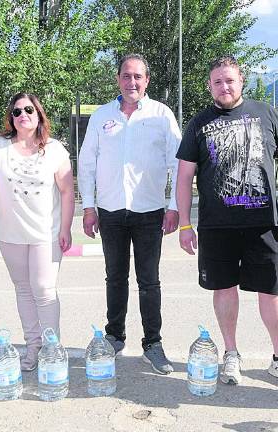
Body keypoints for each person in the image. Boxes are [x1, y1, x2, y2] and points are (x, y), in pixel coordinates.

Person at [175, 55, 278, 390]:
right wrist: (185, 225)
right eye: (217, 81)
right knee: (224, 289)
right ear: (210, 85)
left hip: (262, 224)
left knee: (271, 292)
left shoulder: (265, 113)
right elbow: (184, 176)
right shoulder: (198, 123)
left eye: (229, 80)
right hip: (216, 227)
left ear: (241, 81)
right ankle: (231, 353)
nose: (224, 87)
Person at [77, 53, 181, 375]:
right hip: (109, 212)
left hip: (150, 212)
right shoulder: (101, 117)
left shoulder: (162, 115)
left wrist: (175, 206)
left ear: (147, 81)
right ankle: (115, 337)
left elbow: (178, 162)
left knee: (149, 281)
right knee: (115, 278)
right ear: (118, 79)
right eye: (126, 76)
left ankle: (153, 344)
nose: (131, 82)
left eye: (138, 76)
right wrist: (89, 206)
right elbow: (87, 162)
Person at [0, 92, 74, 371]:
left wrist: (66, 227)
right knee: (24, 290)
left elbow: (67, 192)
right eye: (16, 111)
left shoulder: (54, 149)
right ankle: (33, 348)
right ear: (11, 118)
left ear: (39, 114)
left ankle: (52, 350)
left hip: (47, 232)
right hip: (10, 234)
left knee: (44, 289)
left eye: (28, 110)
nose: (23, 115)